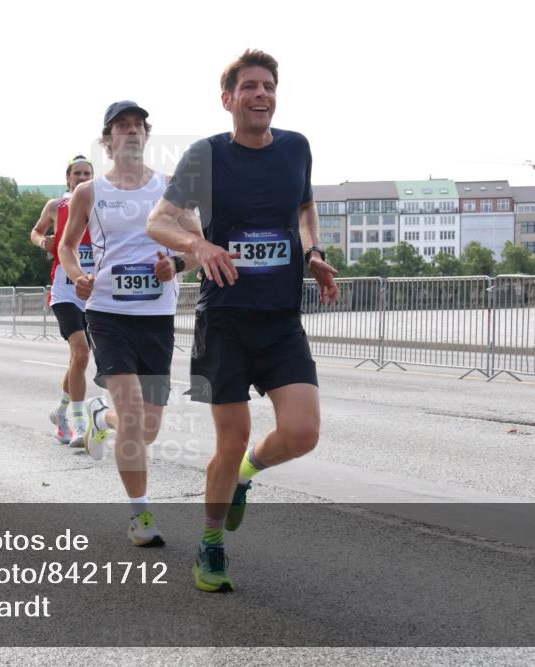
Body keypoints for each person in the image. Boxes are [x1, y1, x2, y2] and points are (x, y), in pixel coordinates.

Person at [146, 49, 339, 592]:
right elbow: (158, 221)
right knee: (230, 441)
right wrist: (198, 244)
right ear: (228, 98)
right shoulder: (205, 157)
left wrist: (315, 253)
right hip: (224, 320)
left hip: (280, 319)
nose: (261, 95)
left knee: (302, 432)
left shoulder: (297, 147)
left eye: (269, 86)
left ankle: (246, 479)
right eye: (250, 87)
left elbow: (304, 209)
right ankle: (209, 546)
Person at [61, 101, 194, 548]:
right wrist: (78, 276)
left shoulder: (171, 188)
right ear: (107, 140)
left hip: (156, 316)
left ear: (146, 135)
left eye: (138, 125)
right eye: (122, 126)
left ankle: (102, 417)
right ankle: (140, 516)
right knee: (135, 411)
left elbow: (199, 247)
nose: (132, 132)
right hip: (108, 313)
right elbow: (65, 247)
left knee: (147, 427)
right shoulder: (89, 193)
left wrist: (174, 264)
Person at [30, 155, 95, 445]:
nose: (82, 178)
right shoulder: (57, 206)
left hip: (93, 291)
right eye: (77, 173)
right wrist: (41, 241)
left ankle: (61, 411)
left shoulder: (103, 206)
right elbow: (36, 230)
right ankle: (81, 425)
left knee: (78, 360)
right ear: (68, 178)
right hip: (65, 290)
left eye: (87, 173)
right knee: (80, 353)